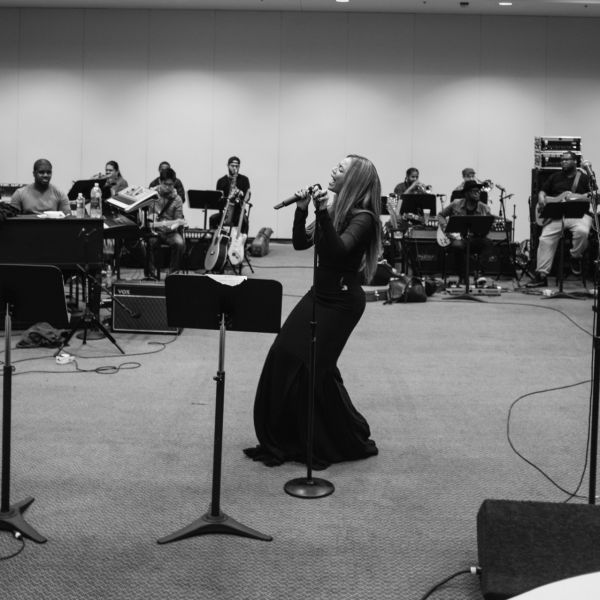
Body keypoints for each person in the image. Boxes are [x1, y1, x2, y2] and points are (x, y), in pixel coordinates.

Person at [244, 154, 381, 470]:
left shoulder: (364, 218)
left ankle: (329, 439)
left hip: (342, 303)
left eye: (341, 168)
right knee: (283, 353)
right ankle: (285, 433)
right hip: (319, 294)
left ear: (354, 179)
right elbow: (299, 243)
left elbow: (338, 252)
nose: (333, 170)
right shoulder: (333, 210)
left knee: (313, 369)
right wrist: (302, 209)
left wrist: (321, 212)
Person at [528, 151, 591, 286]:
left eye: (567, 160)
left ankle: (575, 256)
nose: (563, 162)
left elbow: (592, 195)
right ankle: (541, 276)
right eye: (562, 160)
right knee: (545, 239)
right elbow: (543, 190)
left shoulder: (584, 178)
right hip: (556, 215)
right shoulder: (555, 177)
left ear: (575, 161)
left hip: (578, 214)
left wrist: (579, 197)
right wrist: (541, 197)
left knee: (583, 232)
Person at [437, 179, 493, 282]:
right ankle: (462, 276)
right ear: (466, 194)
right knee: (458, 246)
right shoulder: (456, 204)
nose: (477, 193)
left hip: (474, 239)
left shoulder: (484, 208)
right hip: (458, 238)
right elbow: (440, 215)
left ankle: (479, 273)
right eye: (474, 191)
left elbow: (488, 226)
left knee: (488, 243)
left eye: (478, 191)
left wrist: (487, 227)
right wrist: (446, 228)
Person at [146, 167, 186, 275]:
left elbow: (178, 220)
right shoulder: (151, 195)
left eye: (171, 185)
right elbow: (147, 213)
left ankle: (173, 274)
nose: (168, 187)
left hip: (170, 232)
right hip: (155, 231)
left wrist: (172, 226)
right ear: (160, 181)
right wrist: (150, 216)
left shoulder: (177, 199)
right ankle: (151, 274)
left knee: (179, 243)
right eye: (165, 184)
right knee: (148, 243)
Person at [210, 156, 251, 232]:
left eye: (237, 166)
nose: (235, 168)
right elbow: (218, 199)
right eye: (232, 166)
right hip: (225, 211)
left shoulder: (244, 179)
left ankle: (242, 239)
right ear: (228, 166)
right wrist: (227, 199)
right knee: (212, 219)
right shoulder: (221, 181)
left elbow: (247, 196)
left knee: (245, 220)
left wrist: (240, 192)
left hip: (238, 211)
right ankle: (214, 238)